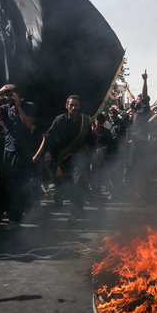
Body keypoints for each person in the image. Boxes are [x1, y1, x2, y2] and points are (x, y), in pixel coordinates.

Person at [32, 95, 95, 224]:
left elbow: (90, 140)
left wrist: (94, 152)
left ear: (79, 106)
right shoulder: (60, 120)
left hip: (80, 159)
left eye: (76, 105)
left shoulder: (86, 120)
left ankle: (74, 214)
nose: (74, 108)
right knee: (66, 185)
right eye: (71, 105)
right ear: (67, 106)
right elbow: (48, 136)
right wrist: (45, 152)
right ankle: (71, 205)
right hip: (63, 159)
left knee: (78, 183)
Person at [0, 84, 37, 231]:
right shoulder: (5, 108)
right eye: (7, 95)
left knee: (18, 186)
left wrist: (19, 106)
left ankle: (15, 220)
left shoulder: (29, 106)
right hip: (8, 150)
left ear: (18, 94)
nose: (9, 97)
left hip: (22, 153)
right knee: (3, 184)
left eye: (11, 94)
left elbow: (28, 124)